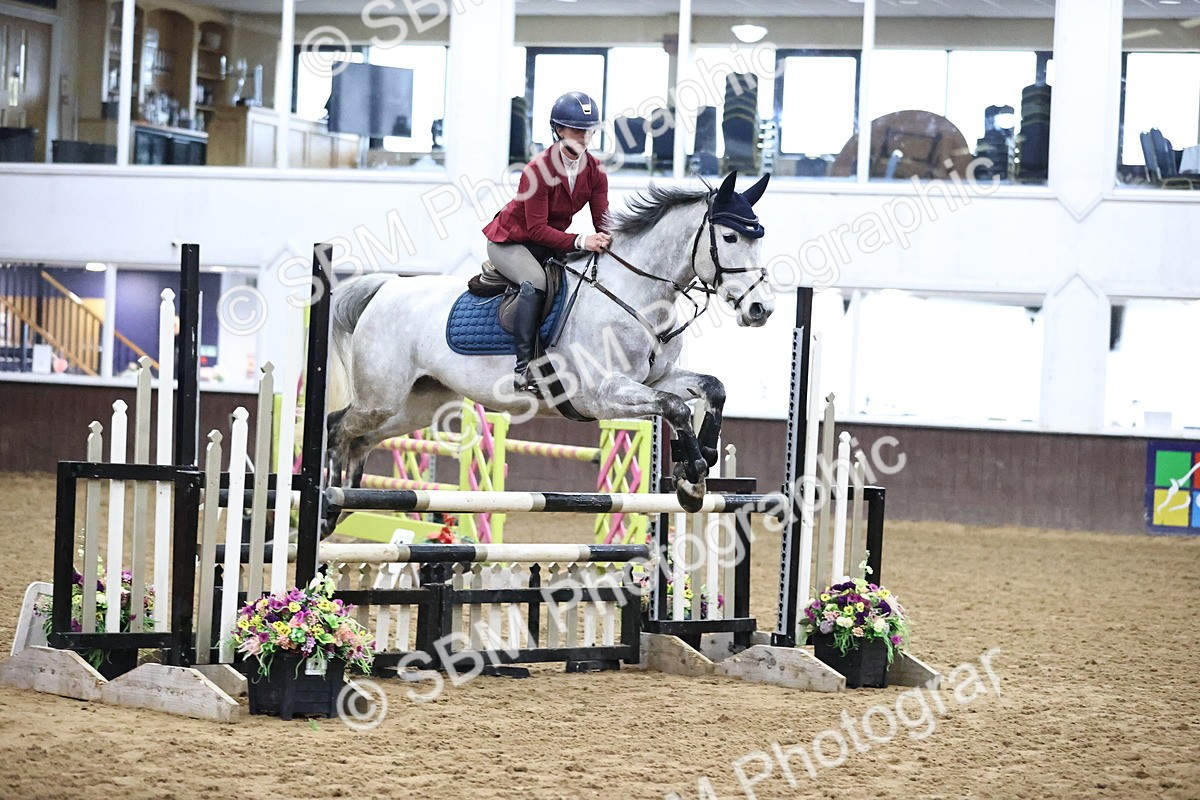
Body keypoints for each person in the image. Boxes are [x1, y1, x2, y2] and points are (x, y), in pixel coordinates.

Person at [483, 91, 612, 393]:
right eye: (577, 130)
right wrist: (582, 240)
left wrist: (613, 240)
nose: (584, 137)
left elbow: (603, 220)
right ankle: (524, 368)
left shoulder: (595, 172)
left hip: (550, 244)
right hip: (512, 242)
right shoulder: (536, 171)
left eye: (589, 130)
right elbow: (537, 229)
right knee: (536, 283)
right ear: (558, 129)